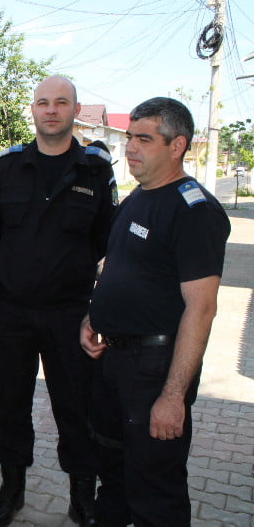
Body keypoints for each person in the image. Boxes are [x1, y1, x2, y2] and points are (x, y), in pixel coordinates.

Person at [80, 97, 230, 526]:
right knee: (112, 471)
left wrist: (172, 396)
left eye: (144, 139)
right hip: (113, 361)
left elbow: (201, 309)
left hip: (154, 369)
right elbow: (122, 268)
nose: (131, 148)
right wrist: (94, 318)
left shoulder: (194, 211)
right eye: (130, 137)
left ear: (177, 145)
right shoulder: (136, 198)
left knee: (154, 486)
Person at [0, 76, 117, 526]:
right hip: (12, 312)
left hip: (69, 313)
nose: (51, 110)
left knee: (77, 407)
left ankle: (82, 497)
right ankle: (12, 489)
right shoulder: (8, 166)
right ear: (33, 110)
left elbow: (105, 238)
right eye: (42, 102)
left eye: (60, 102)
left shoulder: (95, 169)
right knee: (8, 404)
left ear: (76, 110)